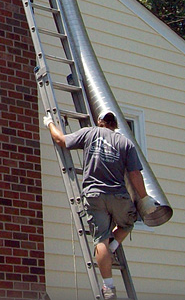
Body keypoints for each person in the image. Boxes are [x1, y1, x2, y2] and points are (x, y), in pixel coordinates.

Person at [43, 110, 150, 300]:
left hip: (94, 196)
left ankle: (108, 288)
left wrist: (50, 123)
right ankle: (113, 246)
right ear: (115, 124)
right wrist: (145, 198)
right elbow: (135, 175)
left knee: (100, 239)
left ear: (100, 121)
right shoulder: (125, 143)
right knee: (129, 222)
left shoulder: (90, 132)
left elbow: (62, 140)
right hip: (118, 196)